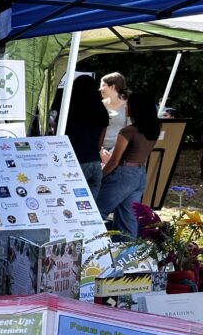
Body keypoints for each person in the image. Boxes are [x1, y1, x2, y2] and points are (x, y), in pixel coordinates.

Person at [95, 92, 160, 237]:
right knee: (128, 219)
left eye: (128, 105)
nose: (126, 108)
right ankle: (127, 253)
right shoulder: (154, 129)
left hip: (123, 175)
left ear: (136, 108)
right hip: (140, 174)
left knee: (96, 212)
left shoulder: (128, 131)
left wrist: (101, 176)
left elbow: (114, 161)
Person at [63, 74, 110, 200]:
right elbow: (100, 142)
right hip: (95, 163)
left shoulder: (69, 111)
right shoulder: (101, 111)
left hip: (74, 163)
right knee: (89, 208)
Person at [99, 72, 129, 153]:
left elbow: (130, 132)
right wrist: (101, 151)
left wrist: (112, 152)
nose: (100, 89)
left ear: (112, 87)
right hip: (100, 149)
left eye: (103, 85)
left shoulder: (128, 105)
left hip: (121, 150)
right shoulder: (101, 105)